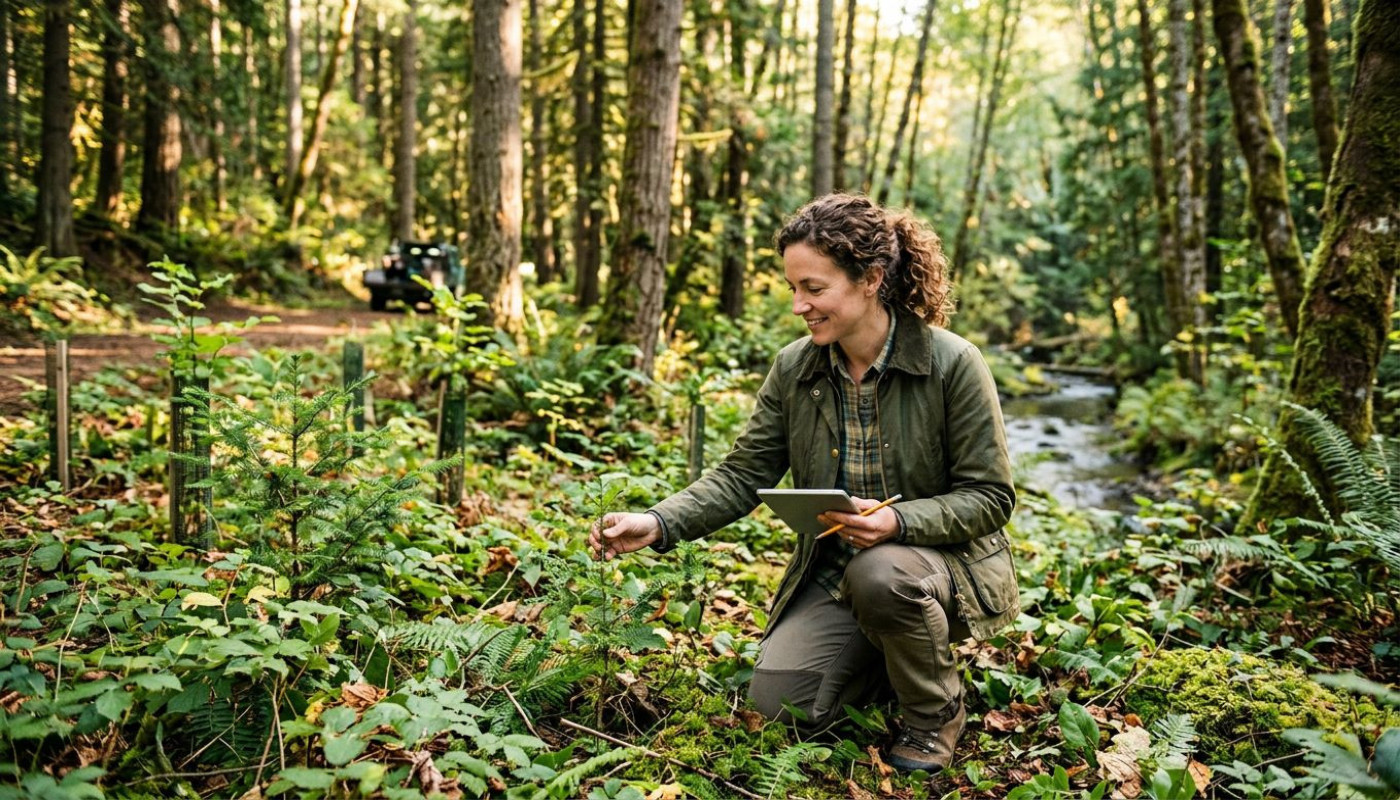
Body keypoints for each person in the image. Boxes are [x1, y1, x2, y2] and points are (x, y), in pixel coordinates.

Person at [589, 193, 1018, 772]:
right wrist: (660, 521)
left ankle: (933, 715)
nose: (799, 306)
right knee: (779, 710)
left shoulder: (953, 363)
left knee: (882, 571)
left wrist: (898, 521)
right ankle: (890, 660)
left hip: (940, 570)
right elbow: (744, 473)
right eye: (794, 288)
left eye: (814, 289)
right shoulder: (796, 367)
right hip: (835, 575)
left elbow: (990, 497)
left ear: (870, 278)